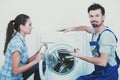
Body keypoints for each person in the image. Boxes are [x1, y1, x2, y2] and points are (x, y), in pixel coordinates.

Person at [58, 3, 120, 80]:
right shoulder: (95, 30)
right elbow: (85, 28)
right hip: (99, 73)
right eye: (91, 16)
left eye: (97, 16)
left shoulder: (106, 35)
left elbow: (102, 62)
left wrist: (80, 56)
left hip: (108, 75)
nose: (94, 19)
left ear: (103, 17)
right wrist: (70, 28)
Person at [0, 14, 47, 80]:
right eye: (29, 25)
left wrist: (38, 52)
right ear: (22, 27)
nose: (32, 27)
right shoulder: (17, 43)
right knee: (39, 64)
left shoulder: (21, 39)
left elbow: (25, 61)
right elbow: (15, 71)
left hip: (16, 75)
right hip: (10, 78)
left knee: (42, 64)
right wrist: (36, 61)